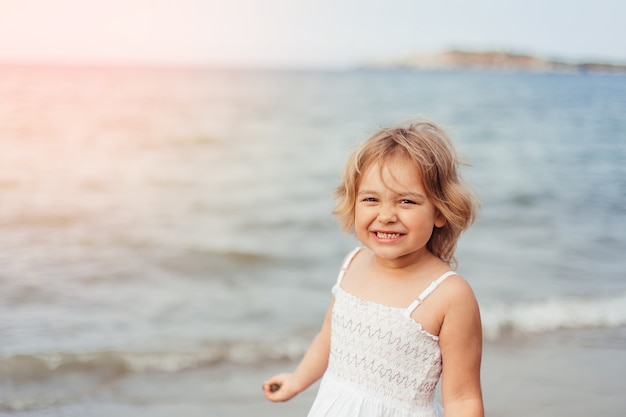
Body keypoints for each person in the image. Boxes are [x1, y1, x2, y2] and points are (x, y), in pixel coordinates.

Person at [263, 120, 483, 417]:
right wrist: (297, 380)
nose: (386, 215)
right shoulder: (352, 263)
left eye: (406, 201)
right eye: (371, 199)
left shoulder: (450, 295)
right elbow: (330, 335)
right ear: (353, 203)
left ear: (440, 210)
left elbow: (463, 399)